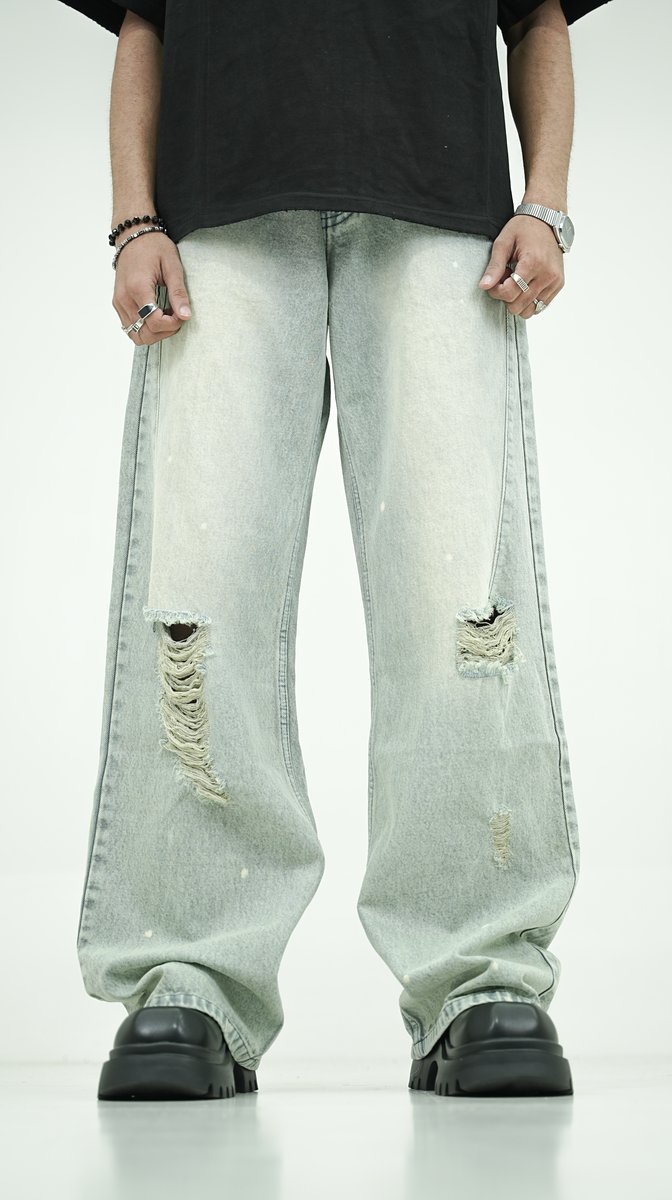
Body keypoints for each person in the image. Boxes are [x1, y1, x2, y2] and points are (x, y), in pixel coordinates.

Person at [58, 0, 610, 1101]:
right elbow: (143, 19)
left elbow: (537, 12)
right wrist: (132, 222)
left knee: (461, 606)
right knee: (198, 601)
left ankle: (479, 976)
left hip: (443, 211)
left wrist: (546, 205)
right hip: (217, 215)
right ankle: (189, 975)